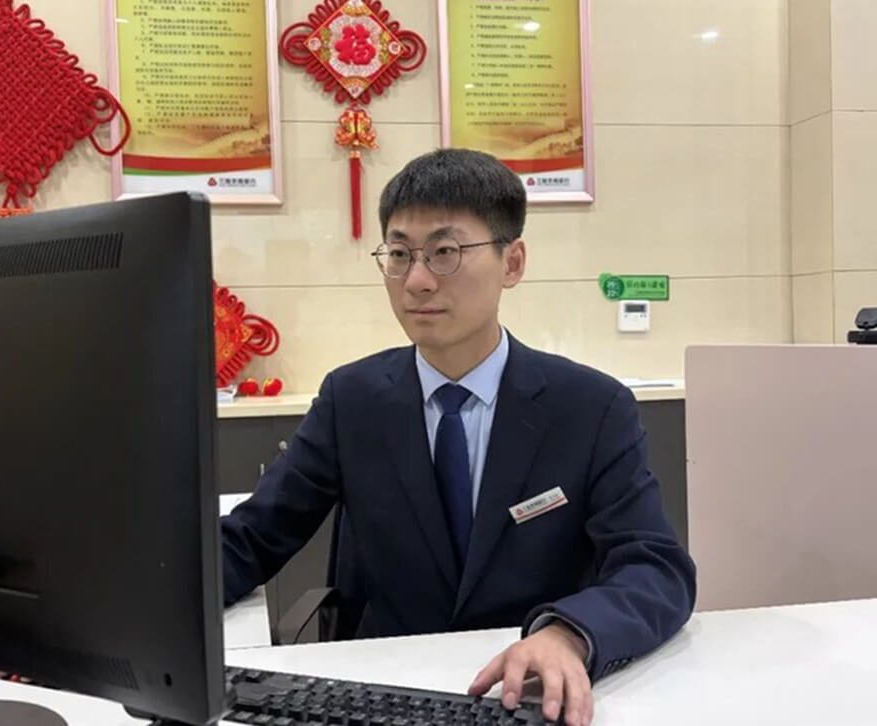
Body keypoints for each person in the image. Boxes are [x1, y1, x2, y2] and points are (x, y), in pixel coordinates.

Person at [221, 148, 696, 726]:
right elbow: (253, 538)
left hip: (524, 695)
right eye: (400, 254)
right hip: (386, 695)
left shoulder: (590, 408)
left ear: (512, 263)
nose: (417, 281)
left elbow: (655, 566)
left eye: (445, 253)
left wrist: (569, 634)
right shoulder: (353, 400)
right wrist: (148, 601)